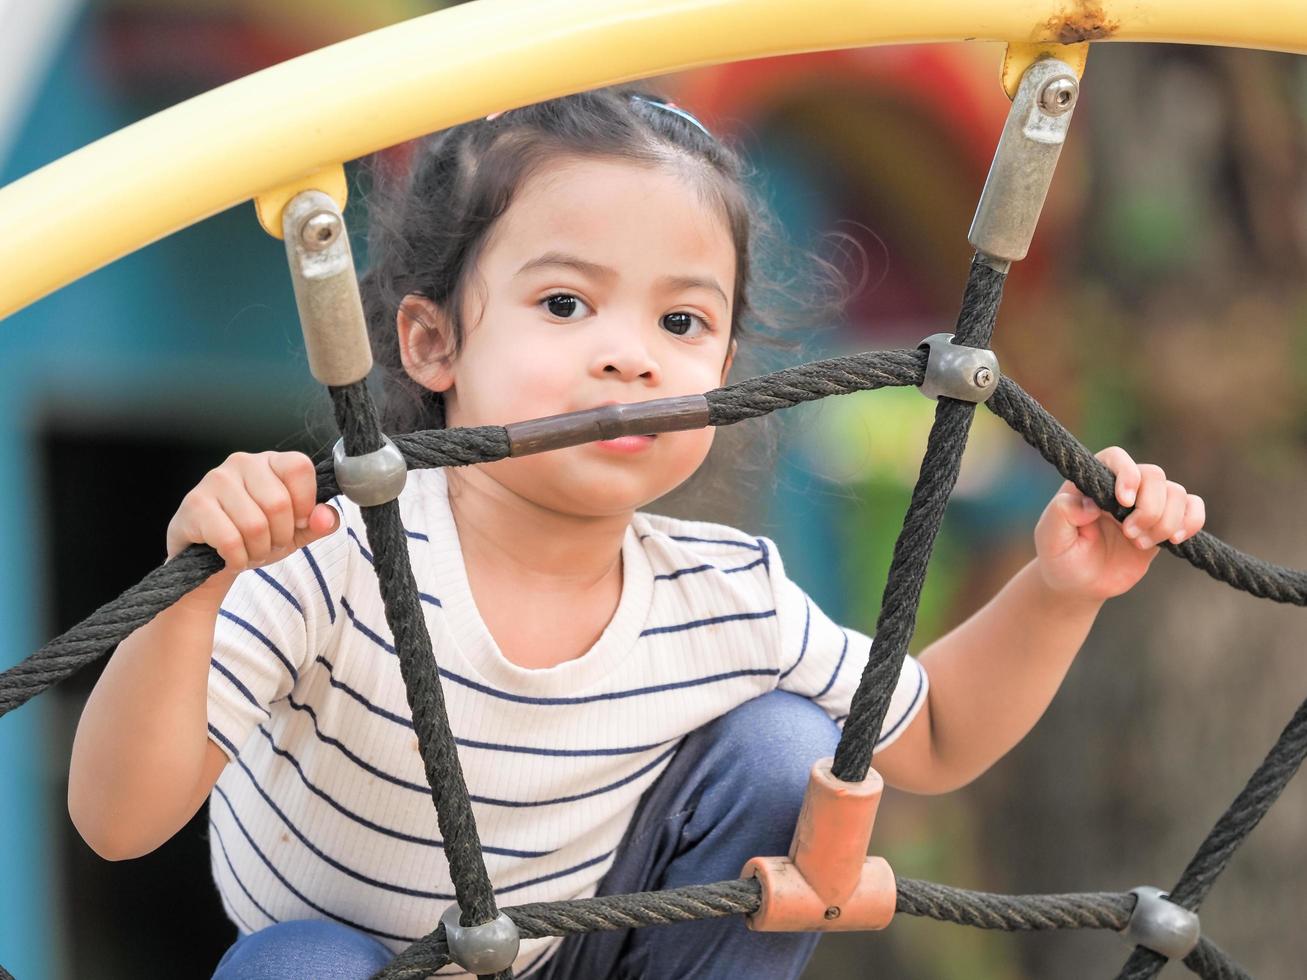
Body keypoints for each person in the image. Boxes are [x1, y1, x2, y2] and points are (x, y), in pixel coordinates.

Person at [66, 87, 1206, 980]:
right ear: (430, 343)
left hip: (579, 953)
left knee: (782, 746)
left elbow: (936, 731)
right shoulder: (333, 550)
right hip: (354, 960)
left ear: (723, 370)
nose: (630, 353)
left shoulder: (724, 593)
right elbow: (119, 822)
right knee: (296, 964)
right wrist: (195, 592)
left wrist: (1060, 589)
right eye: (565, 303)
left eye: (680, 318)